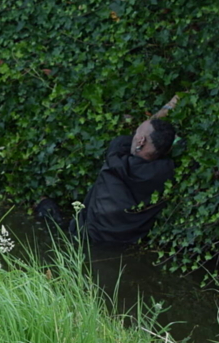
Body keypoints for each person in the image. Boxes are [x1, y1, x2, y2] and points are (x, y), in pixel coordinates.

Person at [36, 95, 179, 247]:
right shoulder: (166, 170)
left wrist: (166, 109)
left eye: (137, 132)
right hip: (125, 242)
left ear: (141, 141)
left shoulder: (116, 158)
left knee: (47, 208)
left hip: (86, 234)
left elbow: (123, 141)